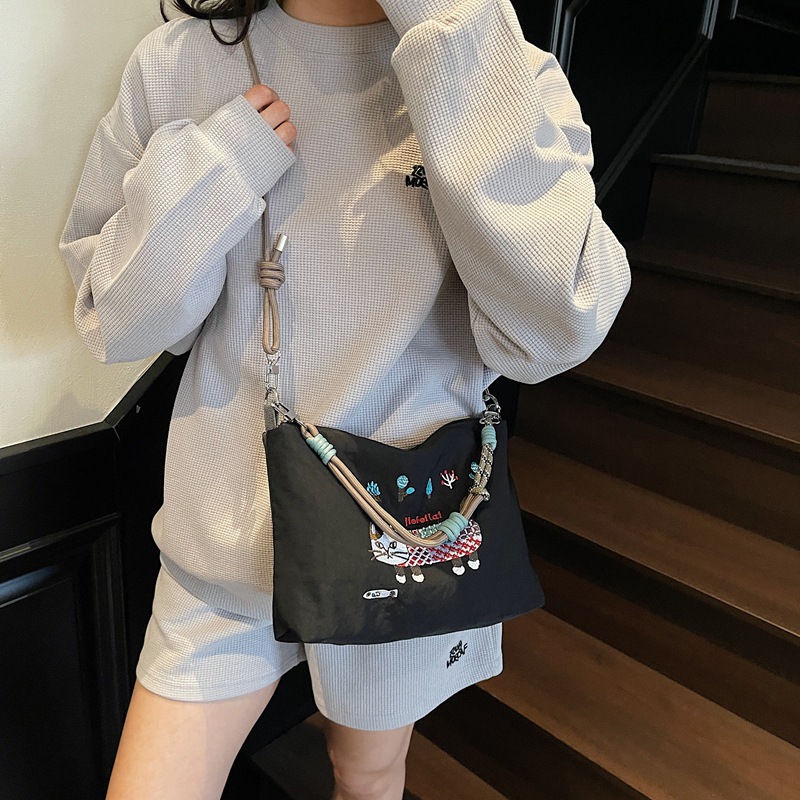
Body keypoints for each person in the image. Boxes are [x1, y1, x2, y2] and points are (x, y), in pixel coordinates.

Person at [58, 0, 631, 797]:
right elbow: (117, 321)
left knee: (368, 776)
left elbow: (556, 329)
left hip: (404, 542)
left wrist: (455, 44)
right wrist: (220, 163)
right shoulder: (179, 63)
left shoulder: (498, 65)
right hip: (223, 548)